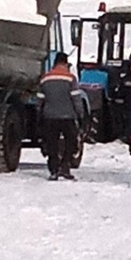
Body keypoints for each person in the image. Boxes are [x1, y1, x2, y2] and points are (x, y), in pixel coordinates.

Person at [39, 52, 85, 181]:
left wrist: (40, 114)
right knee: (71, 142)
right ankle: (65, 167)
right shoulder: (70, 78)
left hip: (49, 116)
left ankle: (53, 170)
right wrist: (80, 114)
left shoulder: (45, 78)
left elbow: (40, 100)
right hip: (67, 116)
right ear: (65, 63)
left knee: (52, 144)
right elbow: (76, 99)